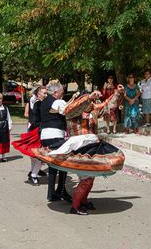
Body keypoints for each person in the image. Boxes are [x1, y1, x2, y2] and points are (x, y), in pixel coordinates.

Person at [33, 86, 125, 214]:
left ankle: (84, 201)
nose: (91, 103)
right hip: (79, 147)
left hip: (93, 146)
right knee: (86, 179)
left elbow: (109, 105)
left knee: (90, 178)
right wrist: (88, 98)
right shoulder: (73, 112)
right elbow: (72, 108)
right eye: (88, 100)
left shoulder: (93, 110)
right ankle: (75, 206)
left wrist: (118, 93)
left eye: (92, 101)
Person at [39, 81, 72, 202]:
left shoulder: (44, 102)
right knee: (63, 162)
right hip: (55, 135)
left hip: (44, 135)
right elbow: (66, 111)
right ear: (56, 92)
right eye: (61, 93)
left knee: (53, 163)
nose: (62, 95)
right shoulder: (57, 101)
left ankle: (52, 193)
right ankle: (60, 191)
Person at [15, 86, 47, 184]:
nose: (46, 95)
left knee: (35, 155)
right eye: (44, 93)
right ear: (38, 94)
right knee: (38, 155)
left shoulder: (38, 102)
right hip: (37, 131)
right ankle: (33, 175)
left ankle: (33, 173)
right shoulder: (38, 103)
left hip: (37, 130)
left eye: (46, 93)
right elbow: (36, 119)